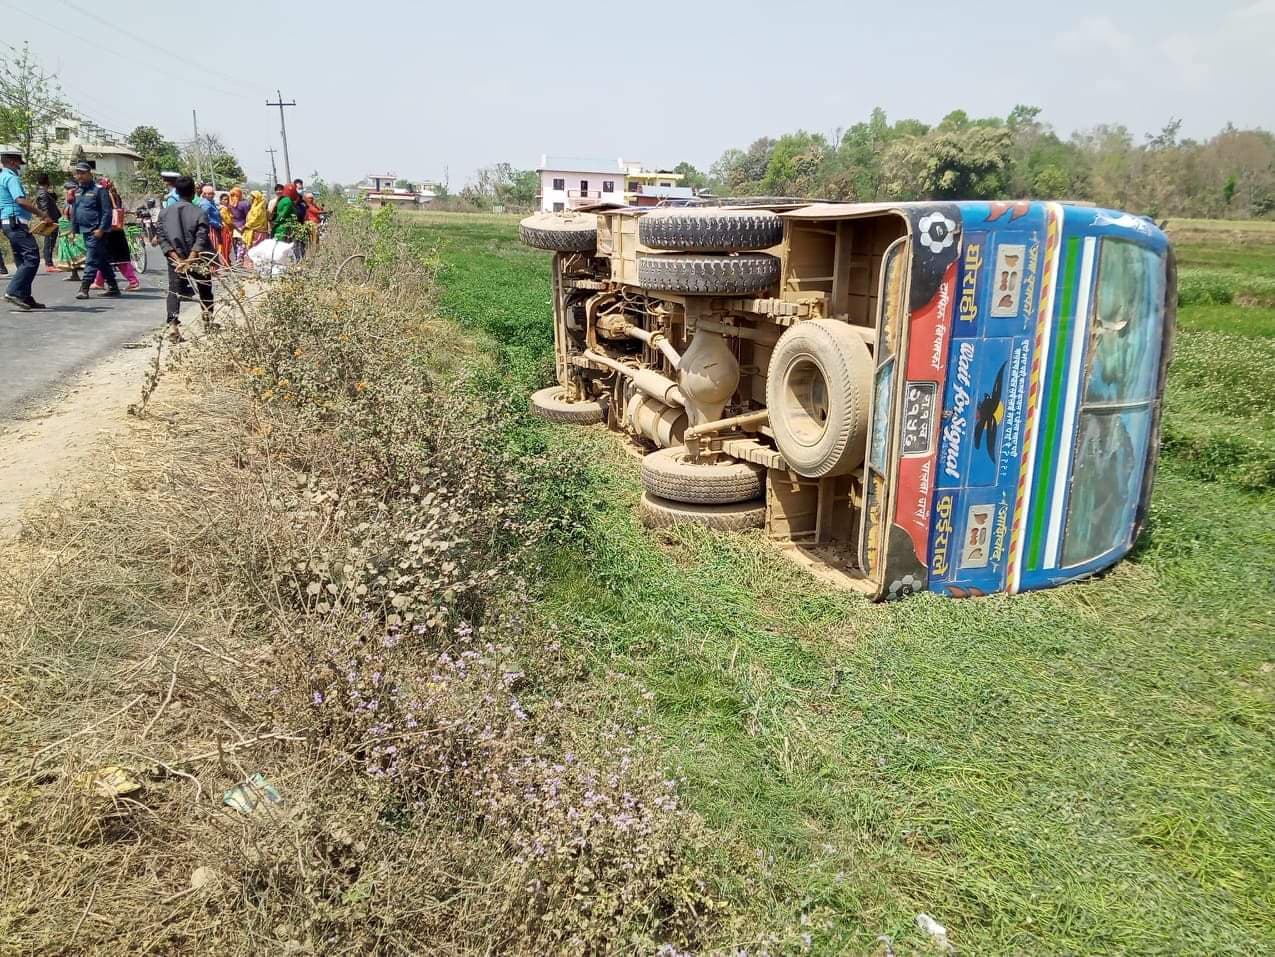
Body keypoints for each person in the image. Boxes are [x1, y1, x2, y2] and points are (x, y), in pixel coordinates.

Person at [157, 175, 215, 342]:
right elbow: (201, 238)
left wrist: (177, 259)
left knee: (174, 291)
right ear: (193, 192)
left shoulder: (164, 213)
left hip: (175, 260)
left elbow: (162, 238)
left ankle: (173, 327)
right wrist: (190, 259)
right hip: (198, 258)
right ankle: (208, 321)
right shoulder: (199, 212)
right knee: (205, 288)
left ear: (177, 191)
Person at [0, 147, 55, 310]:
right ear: (12, 162)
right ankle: (13, 292)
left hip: (7, 222)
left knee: (22, 260)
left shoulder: (1, 177)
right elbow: (20, 201)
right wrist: (42, 214)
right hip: (15, 222)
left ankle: (24, 296)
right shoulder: (11, 178)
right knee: (32, 258)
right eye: (18, 164)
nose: (19, 167)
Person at [70, 160, 120, 300]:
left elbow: (107, 212)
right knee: (101, 259)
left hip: (96, 231)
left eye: (82, 173)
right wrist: (73, 229)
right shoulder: (77, 192)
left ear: (89, 174)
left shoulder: (99, 190)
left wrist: (101, 229)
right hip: (84, 230)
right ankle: (113, 287)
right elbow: (75, 211)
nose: (79, 176)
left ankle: (84, 288)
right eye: (77, 173)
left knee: (91, 259)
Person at [90, 177, 141, 291]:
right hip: (117, 230)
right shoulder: (115, 195)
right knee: (111, 258)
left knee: (110, 258)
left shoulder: (105, 196)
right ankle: (99, 281)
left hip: (109, 230)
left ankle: (133, 282)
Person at [34, 173, 62, 273]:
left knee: (50, 241)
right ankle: (49, 264)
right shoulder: (42, 193)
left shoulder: (44, 192)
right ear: (47, 181)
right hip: (50, 220)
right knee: (49, 242)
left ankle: (49, 263)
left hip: (51, 219)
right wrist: (47, 219)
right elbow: (44, 207)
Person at [217, 191, 234, 264]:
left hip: (228, 228)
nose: (226, 201)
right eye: (224, 199)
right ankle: (225, 262)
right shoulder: (223, 209)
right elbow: (228, 221)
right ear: (220, 201)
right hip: (225, 229)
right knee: (226, 246)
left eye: (227, 199)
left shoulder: (227, 208)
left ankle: (227, 261)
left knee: (228, 246)